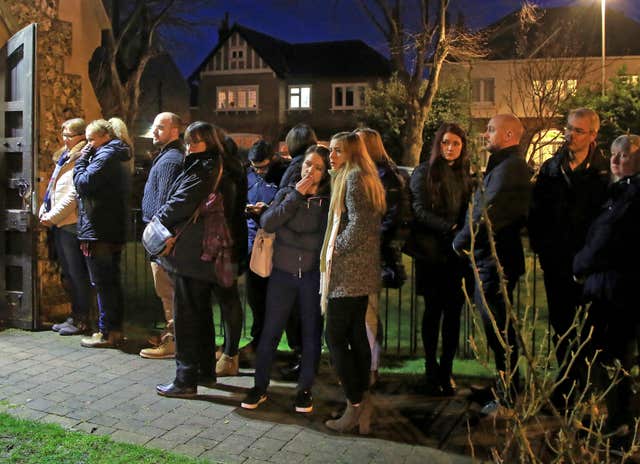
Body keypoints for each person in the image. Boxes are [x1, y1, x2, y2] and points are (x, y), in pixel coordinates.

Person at [155, 121, 247, 398]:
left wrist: (159, 220)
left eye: (194, 142)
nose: (188, 147)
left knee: (186, 317)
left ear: (208, 142)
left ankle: (185, 379)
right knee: (203, 315)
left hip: (193, 253)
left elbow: (180, 202)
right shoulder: (227, 166)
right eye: (187, 142)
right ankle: (205, 371)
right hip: (210, 252)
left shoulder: (204, 168)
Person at [528, 108, 609, 404]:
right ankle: (566, 385)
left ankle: (586, 388)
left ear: (592, 135)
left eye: (578, 131)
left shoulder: (602, 172)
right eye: (569, 129)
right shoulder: (552, 168)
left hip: (589, 264)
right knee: (560, 325)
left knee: (589, 328)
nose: (570, 135)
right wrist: (542, 247)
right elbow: (536, 213)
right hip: (556, 261)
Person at [241, 145, 331, 413]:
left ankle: (304, 390)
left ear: (325, 173)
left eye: (317, 167)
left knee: (311, 334)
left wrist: (289, 228)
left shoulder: (327, 199)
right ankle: (260, 386)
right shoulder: (288, 191)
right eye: (307, 165)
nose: (310, 171)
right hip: (282, 273)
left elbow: (318, 236)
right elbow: (268, 222)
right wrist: (295, 197)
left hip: (311, 276)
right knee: (270, 331)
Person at [452, 114, 531, 412]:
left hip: (496, 262)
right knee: (496, 326)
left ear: (509, 134)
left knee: (499, 327)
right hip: (491, 259)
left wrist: (459, 243)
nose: (485, 134)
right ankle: (503, 385)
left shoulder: (510, 168)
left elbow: (487, 213)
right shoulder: (505, 166)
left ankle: (508, 394)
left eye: (491, 130)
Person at [573, 135, 640, 450]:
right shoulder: (617, 192)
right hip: (606, 286)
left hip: (618, 288)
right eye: (614, 154)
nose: (617, 160)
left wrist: (579, 264)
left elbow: (608, 240)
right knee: (605, 355)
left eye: (625, 155)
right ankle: (612, 419)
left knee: (615, 356)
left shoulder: (631, 196)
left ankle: (619, 424)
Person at [320, 131, 386, 434]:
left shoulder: (355, 178)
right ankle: (362, 402)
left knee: (334, 336)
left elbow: (359, 224)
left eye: (338, 151)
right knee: (356, 333)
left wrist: (336, 248)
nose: (331, 156)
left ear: (352, 154)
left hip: (349, 272)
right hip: (361, 271)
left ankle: (354, 402)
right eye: (330, 150)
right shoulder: (363, 176)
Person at [409, 123, 473, 396]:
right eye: (446, 143)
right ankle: (430, 366)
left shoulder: (465, 175)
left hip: (456, 255)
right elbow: (418, 209)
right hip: (432, 253)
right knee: (433, 311)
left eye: (456, 143)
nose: (450, 148)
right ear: (438, 144)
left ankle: (447, 369)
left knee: (453, 314)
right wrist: (449, 228)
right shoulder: (425, 172)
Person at [355, 128, 407, 386]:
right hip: (360, 252)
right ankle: (365, 364)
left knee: (368, 312)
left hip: (372, 253)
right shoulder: (365, 174)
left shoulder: (386, 178)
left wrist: (370, 240)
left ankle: (371, 367)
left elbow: (392, 218)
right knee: (361, 311)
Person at [74, 119, 132, 348]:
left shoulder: (105, 156)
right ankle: (114, 329)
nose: (88, 145)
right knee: (111, 281)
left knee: (103, 282)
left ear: (103, 137)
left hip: (99, 229)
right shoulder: (116, 154)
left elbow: (83, 183)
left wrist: (81, 161)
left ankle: (107, 331)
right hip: (111, 227)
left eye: (90, 140)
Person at [41, 118, 93, 336]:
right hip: (60, 223)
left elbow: (73, 194)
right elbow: (54, 186)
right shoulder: (64, 156)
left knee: (76, 273)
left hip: (70, 223)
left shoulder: (82, 157)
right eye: (63, 134)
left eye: (69, 135)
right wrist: (44, 208)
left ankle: (82, 319)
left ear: (81, 136)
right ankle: (74, 315)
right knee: (69, 274)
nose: (64, 139)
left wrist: (52, 216)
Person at [139, 112, 184, 359]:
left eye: (160, 127)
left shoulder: (169, 160)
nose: (154, 131)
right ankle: (174, 337)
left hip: (161, 239)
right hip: (162, 237)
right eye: (154, 127)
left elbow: (164, 203)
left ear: (175, 131)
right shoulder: (170, 156)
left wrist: (158, 235)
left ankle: (174, 341)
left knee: (167, 292)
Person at [278, 123, 319, 379]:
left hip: (295, 248)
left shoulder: (298, 168)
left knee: (296, 310)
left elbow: (287, 203)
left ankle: (302, 360)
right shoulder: (317, 164)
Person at [243, 140, 281, 354]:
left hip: (272, 243)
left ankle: (268, 344)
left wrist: (267, 210)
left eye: (263, 167)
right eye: (255, 167)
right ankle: (258, 341)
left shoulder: (280, 175)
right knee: (255, 298)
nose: (259, 171)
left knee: (272, 299)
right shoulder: (248, 176)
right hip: (252, 244)